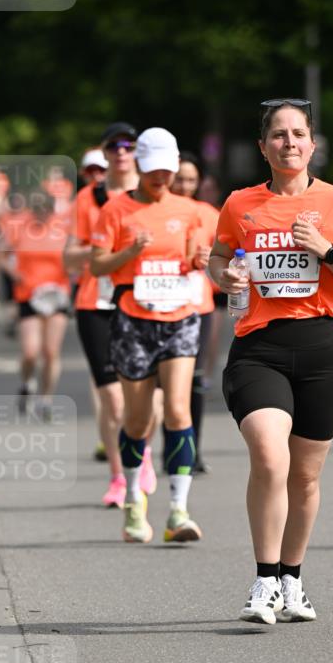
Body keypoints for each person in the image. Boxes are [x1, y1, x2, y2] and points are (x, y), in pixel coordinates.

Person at [208, 98, 333, 625]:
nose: (289, 142)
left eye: (298, 134)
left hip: (323, 352)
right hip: (259, 349)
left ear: (312, 144)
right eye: (278, 135)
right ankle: (263, 581)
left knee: (304, 477)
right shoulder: (240, 204)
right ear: (263, 147)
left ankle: (292, 580)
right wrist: (225, 277)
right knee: (269, 455)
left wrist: (325, 249)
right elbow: (219, 259)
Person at [90, 127, 208, 544]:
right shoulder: (116, 211)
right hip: (132, 320)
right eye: (155, 170)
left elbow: (197, 257)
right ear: (139, 165)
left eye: (168, 171)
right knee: (137, 420)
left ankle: (179, 509)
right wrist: (130, 253)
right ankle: (134, 503)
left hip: (179, 318)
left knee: (178, 409)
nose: (162, 178)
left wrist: (200, 260)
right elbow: (97, 267)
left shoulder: (190, 209)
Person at [64, 122, 157, 507]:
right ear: (104, 154)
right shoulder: (89, 198)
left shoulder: (152, 191)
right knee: (112, 399)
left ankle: (143, 452)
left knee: (145, 396)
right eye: (114, 146)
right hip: (95, 303)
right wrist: (106, 250)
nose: (121, 151)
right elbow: (69, 257)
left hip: (144, 301)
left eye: (128, 145)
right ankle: (119, 476)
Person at [0, 193, 71, 418]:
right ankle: (26, 382)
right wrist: (14, 274)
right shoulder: (21, 227)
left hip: (57, 294)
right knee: (30, 352)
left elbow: (75, 257)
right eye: (36, 209)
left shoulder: (63, 229)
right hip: (28, 294)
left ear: (52, 209)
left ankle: (46, 399)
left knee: (51, 352)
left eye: (44, 209)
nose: (40, 213)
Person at [170, 151, 220, 473]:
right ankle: (162, 450)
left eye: (191, 180)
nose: (185, 185)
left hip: (198, 305)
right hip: (158, 306)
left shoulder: (210, 214)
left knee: (195, 380)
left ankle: (192, 451)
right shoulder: (154, 211)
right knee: (165, 385)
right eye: (180, 179)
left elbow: (226, 256)